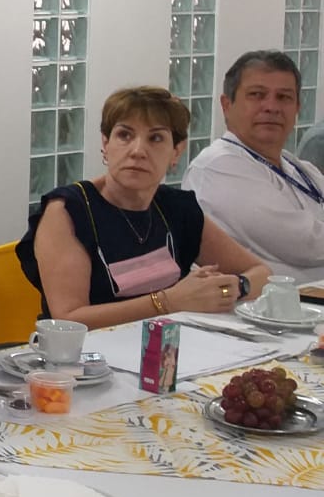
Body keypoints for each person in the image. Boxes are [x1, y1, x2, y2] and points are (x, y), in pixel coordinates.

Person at [16, 86, 271, 328]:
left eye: (155, 138)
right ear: (105, 144)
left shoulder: (178, 208)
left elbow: (262, 274)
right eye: (124, 135)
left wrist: (234, 287)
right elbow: (68, 320)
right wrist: (169, 302)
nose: (138, 151)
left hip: (169, 346)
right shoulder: (68, 211)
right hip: (86, 354)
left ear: (176, 151)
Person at [183, 51, 324, 278]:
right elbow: (305, 243)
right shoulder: (217, 166)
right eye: (257, 95)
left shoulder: (299, 167)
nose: (271, 107)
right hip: (261, 300)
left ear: (297, 107)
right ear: (226, 105)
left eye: (284, 97)